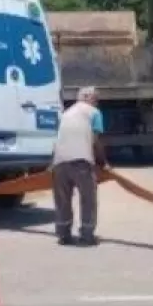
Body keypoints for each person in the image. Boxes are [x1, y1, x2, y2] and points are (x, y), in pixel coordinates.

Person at [51, 85, 107, 246]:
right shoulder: (94, 113)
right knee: (88, 199)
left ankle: (63, 234)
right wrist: (103, 162)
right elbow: (96, 140)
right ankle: (87, 235)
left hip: (59, 162)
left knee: (62, 199)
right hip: (81, 161)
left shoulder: (65, 114)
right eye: (96, 98)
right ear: (88, 97)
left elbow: (57, 140)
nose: (97, 101)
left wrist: (51, 164)